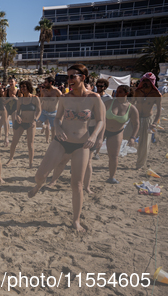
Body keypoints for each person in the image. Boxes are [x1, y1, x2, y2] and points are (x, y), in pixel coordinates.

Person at [29, 64, 105, 232]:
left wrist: (94, 137)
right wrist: (59, 128)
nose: (69, 80)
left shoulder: (94, 98)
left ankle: (76, 220)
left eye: (72, 76)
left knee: (76, 184)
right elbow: (57, 118)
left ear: (83, 78)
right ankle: (38, 185)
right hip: (61, 140)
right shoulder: (64, 97)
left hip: (82, 144)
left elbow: (100, 120)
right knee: (40, 175)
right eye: (67, 77)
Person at [6, 80, 41, 168]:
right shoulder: (20, 99)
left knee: (30, 144)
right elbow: (17, 112)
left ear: (29, 87)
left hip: (31, 123)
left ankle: (31, 162)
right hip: (21, 123)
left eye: (24, 86)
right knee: (14, 142)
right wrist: (17, 116)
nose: (23, 88)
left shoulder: (35, 98)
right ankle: (10, 158)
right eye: (21, 87)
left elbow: (39, 110)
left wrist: (35, 120)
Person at [133, 72, 162, 170]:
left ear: (152, 82)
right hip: (136, 118)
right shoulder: (137, 92)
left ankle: (140, 164)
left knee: (144, 143)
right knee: (126, 136)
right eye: (144, 80)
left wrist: (154, 123)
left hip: (147, 119)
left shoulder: (156, 94)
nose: (145, 82)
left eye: (148, 81)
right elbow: (131, 105)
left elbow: (158, 111)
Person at [37, 76, 62, 144]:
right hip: (44, 111)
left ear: (50, 83)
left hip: (53, 112)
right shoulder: (43, 91)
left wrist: (61, 114)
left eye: (46, 82)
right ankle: (46, 138)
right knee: (38, 124)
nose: (44, 84)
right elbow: (40, 102)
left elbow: (63, 102)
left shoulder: (57, 92)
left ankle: (52, 142)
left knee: (53, 129)